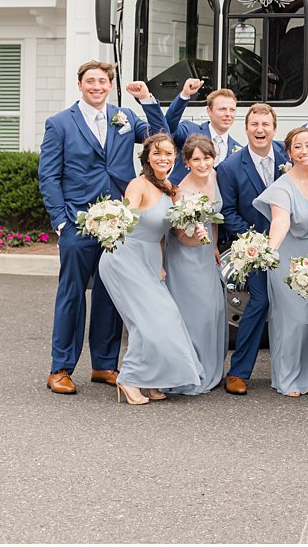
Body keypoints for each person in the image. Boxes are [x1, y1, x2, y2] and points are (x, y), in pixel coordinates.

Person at [37, 60, 164, 395]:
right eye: (90, 81)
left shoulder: (124, 118)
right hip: (78, 223)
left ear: (110, 86)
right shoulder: (60, 123)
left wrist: (147, 100)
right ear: (80, 85)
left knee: (111, 294)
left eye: (102, 81)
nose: (96, 86)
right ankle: (61, 368)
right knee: (72, 294)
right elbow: (48, 176)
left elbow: (159, 138)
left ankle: (104, 364)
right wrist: (61, 222)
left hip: (120, 224)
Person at [98, 133, 204, 405]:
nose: (163, 158)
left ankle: (153, 379)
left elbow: (167, 236)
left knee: (165, 318)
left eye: (168, 153)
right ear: (146, 158)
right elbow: (127, 212)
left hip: (149, 262)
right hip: (124, 258)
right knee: (145, 322)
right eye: (157, 153)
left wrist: (197, 235)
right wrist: (109, 221)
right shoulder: (139, 184)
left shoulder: (170, 188)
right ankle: (129, 379)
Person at [213, 102, 288, 394]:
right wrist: (257, 241)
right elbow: (228, 212)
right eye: (254, 125)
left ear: (274, 129)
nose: (260, 130)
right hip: (253, 247)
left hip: (290, 243)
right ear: (245, 129)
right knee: (259, 302)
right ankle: (239, 372)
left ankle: (301, 370)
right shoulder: (230, 167)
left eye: (265, 125)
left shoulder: (288, 157)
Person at [255, 126, 308, 396]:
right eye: (297, 147)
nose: (304, 151)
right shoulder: (282, 185)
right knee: (294, 320)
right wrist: (270, 250)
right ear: (288, 152)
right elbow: (280, 220)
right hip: (288, 258)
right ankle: (287, 377)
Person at [163, 134, 228, 395]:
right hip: (186, 257)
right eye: (196, 160)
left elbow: (212, 217)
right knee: (195, 314)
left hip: (206, 255)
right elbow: (180, 235)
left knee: (213, 312)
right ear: (187, 162)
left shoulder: (214, 177)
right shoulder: (180, 193)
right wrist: (196, 238)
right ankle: (190, 371)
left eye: (207, 158)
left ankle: (210, 368)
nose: (203, 164)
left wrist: (212, 245)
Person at [161, 79, 243, 183]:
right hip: (179, 195)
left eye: (232, 110)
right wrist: (184, 95)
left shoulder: (238, 149)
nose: (228, 114)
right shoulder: (189, 130)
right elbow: (168, 127)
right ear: (209, 111)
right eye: (222, 109)